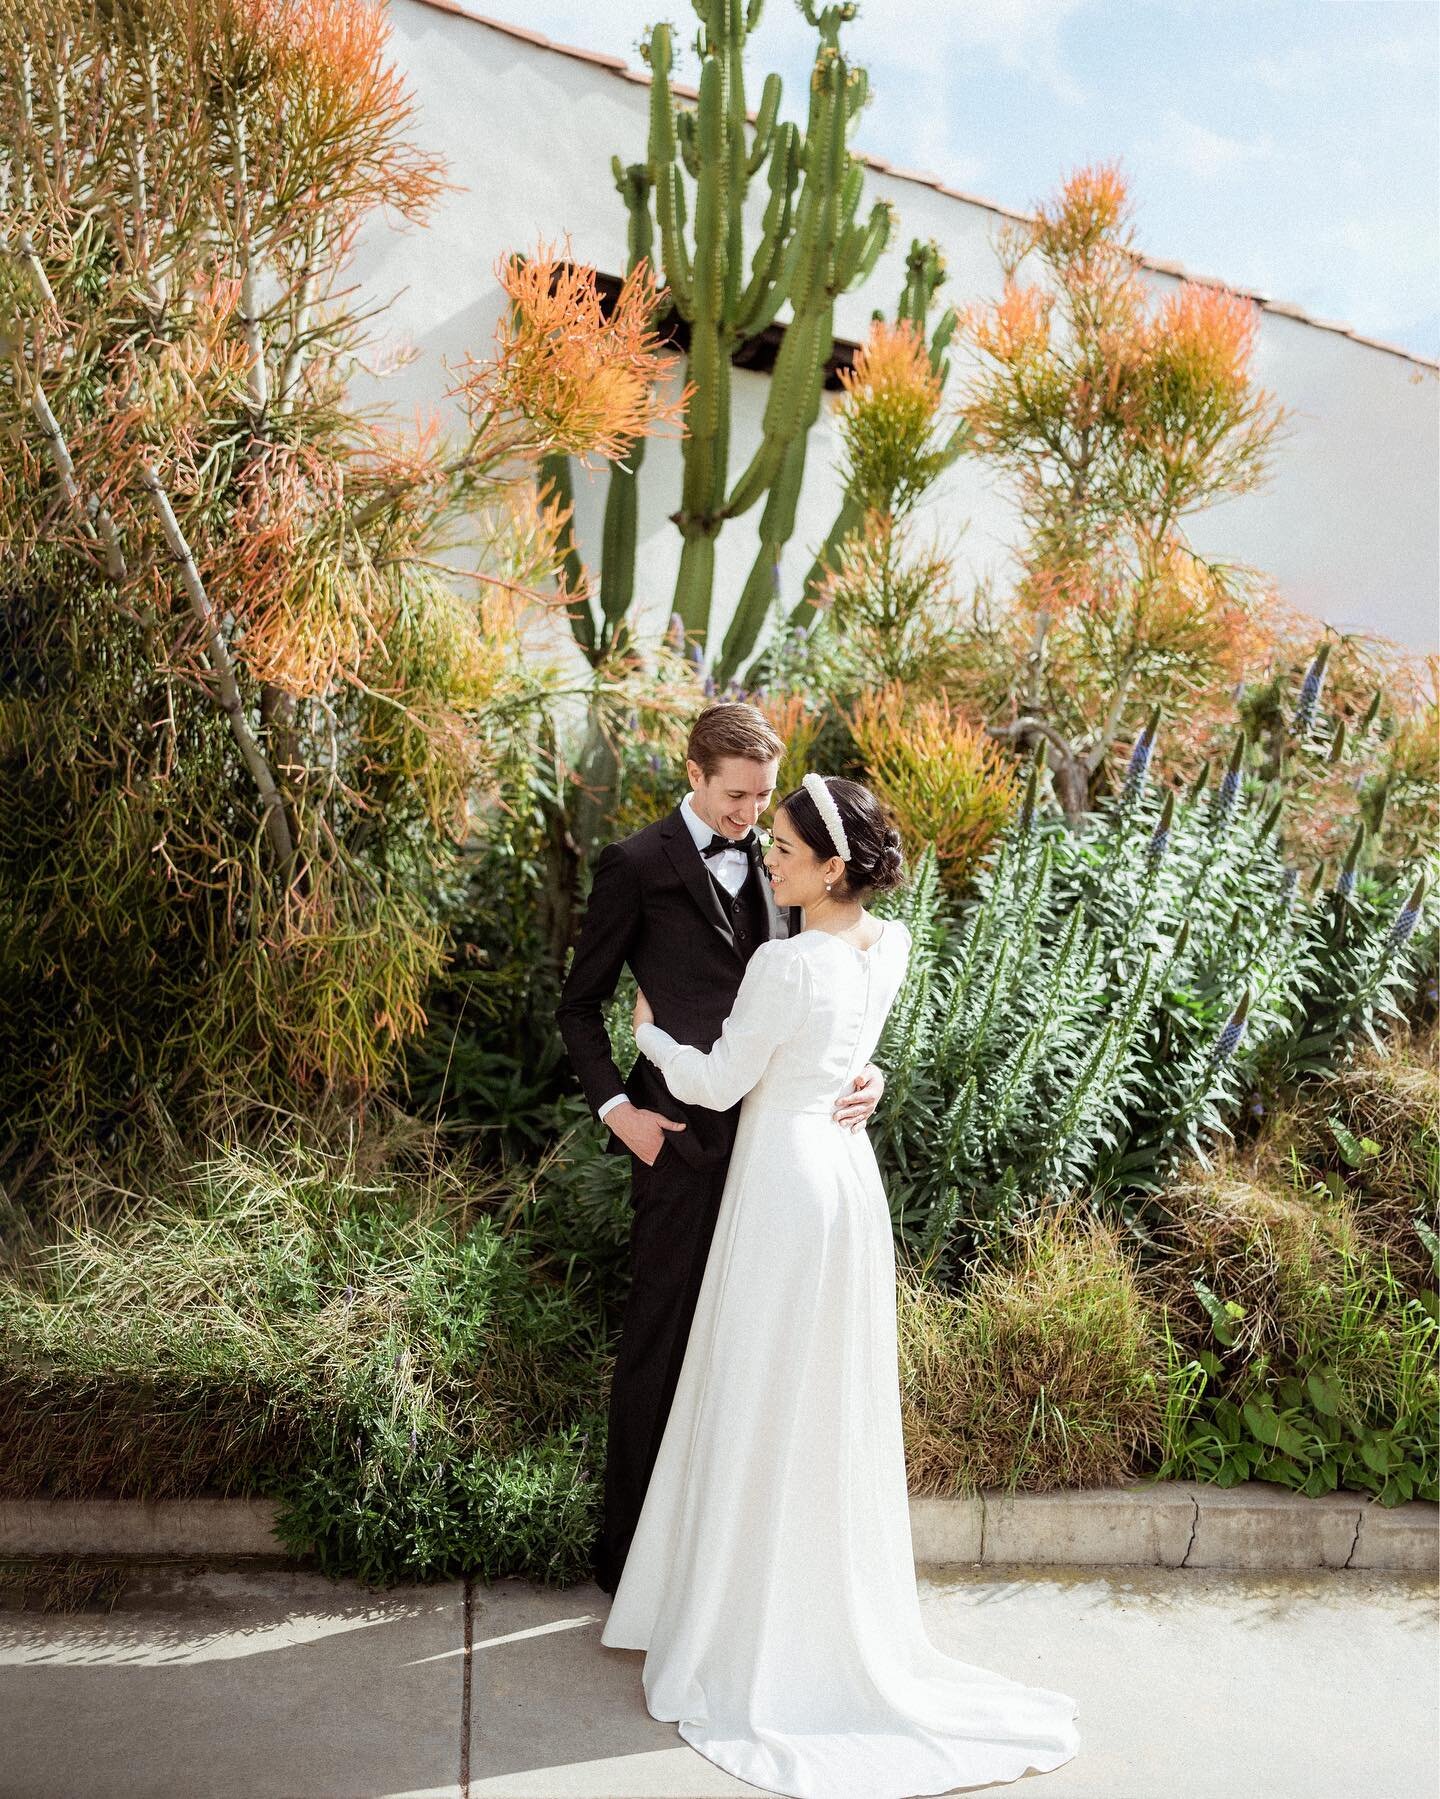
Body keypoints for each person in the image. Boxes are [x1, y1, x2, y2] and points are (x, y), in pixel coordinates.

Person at [600, 773, 1081, 1799]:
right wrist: (871, 1076)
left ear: (832, 864)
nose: (769, 858)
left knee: (757, 1391)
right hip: (847, 1187)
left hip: (781, 1185)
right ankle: (807, 1607)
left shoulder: (785, 960)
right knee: (822, 1401)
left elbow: (718, 1083)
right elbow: (853, 1051)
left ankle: (746, 1629)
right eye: (769, 839)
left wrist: (646, 1031)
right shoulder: (891, 943)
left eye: (783, 847)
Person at [555, 704, 887, 1597]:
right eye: (736, 796)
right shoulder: (635, 865)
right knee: (662, 1346)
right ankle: (628, 1565)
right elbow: (579, 1006)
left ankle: (719, 1568)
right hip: (681, 1144)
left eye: (763, 798)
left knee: (752, 1363)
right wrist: (619, 1108)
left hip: (780, 1150)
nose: (750, 816)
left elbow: (827, 986)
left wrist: (866, 1070)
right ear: (695, 775)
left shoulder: (792, 864)